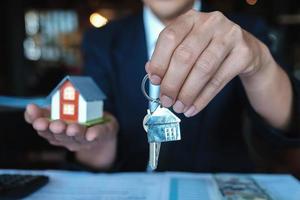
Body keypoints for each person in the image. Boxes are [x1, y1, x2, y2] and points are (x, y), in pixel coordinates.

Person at [25, 0, 300, 173]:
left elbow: (286, 123)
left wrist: (260, 65)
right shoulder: (103, 40)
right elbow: (98, 132)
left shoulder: (245, 30)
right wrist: (96, 146)